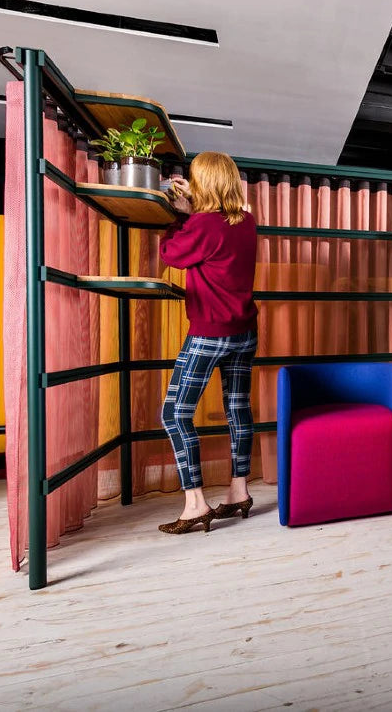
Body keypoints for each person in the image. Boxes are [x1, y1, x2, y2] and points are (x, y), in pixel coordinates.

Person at [157, 152, 258, 534]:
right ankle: (239, 491)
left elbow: (171, 254)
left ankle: (195, 504)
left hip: (209, 334)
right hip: (244, 332)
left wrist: (181, 216)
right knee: (237, 409)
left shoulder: (203, 224)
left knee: (175, 414)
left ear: (204, 184)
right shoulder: (246, 221)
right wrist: (195, 211)